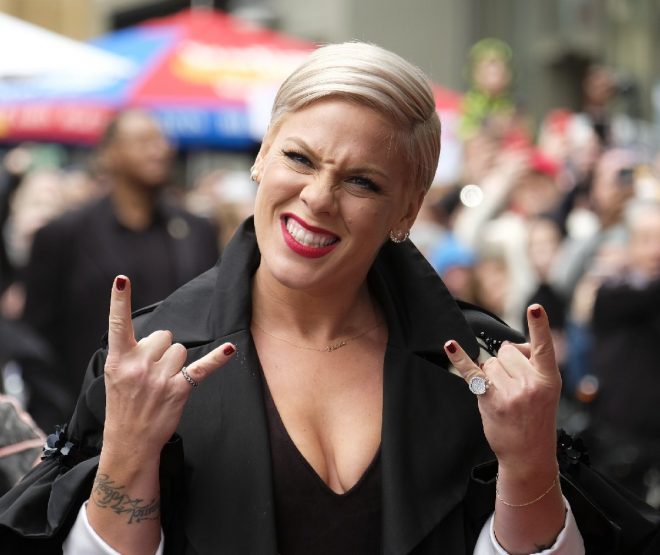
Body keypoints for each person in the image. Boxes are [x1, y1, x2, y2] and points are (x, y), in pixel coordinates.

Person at [0, 41, 658, 555]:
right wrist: (126, 454)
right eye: (300, 158)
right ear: (262, 156)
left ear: (406, 211)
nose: (317, 197)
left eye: (362, 182)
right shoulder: (151, 359)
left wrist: (529, 465)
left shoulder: (480, 365)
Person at [18, 109, 220, 432]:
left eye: (161, 140)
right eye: (143, 141)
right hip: (89, 422)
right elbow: (35, 338)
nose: (160, 149)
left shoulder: (196, 231)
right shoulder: (64, 235)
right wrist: (66, 418)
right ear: (109, 154)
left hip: (183, 418)